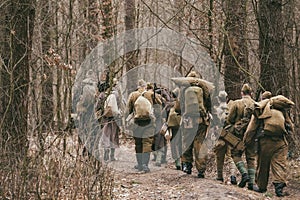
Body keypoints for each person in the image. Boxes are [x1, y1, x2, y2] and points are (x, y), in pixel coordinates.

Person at [243, 94, 295, 197]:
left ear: (262, 99)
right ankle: (279, 187)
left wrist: (246, 142)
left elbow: (251, 129)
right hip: (280, 141)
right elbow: (290, 126)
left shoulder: (260, 109)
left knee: (263, 164)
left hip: (265, 141)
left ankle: (261, 187)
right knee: (279, 163)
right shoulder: (282, 110)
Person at [176, 71, 212, 178]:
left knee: (187, 142)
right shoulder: (204, 89)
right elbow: (209, 105)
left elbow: (178, 107)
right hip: (201, 120)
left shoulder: (183, 90)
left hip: (188, 120)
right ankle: (201, 169)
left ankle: (187, 166)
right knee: (199, 143)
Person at [125, 79, 162, 173]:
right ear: (145, 86)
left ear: (138, 86)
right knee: (147, 143)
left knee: (138, 143)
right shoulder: (151, 94)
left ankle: (140, 164)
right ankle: (145, 165)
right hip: (149, 123)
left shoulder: (133, 95)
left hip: (137, 123)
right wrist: (156, 117)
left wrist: (127, 120)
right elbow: (159, 107)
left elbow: (128, 110)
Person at [225, 83, 256, 189]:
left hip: (238, 134)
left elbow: (229, 119)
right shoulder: (256, 104)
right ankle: (251, 183)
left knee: (235, 154)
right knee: (251, 157)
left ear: (242, 93)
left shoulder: (236, 103)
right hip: (252, 134)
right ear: (251, 93)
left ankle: (244, 173)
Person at [213, 91, 237, 184]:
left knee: (219, 157)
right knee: (231, 157)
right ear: (227, 98)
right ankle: (233, 176)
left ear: (218, 99)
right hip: (230, 136)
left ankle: (219, 176)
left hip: (220, 136)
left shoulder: (216, 110)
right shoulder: (231, 108)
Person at [99, 81, 122, 162]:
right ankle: (112, 156)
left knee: (106, 135)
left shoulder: (102, 95)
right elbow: (119, 105)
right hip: (114, 119)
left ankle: (106, 155)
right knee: (114, 135)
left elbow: (98, 106)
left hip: (105, 118)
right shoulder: (116, 94)